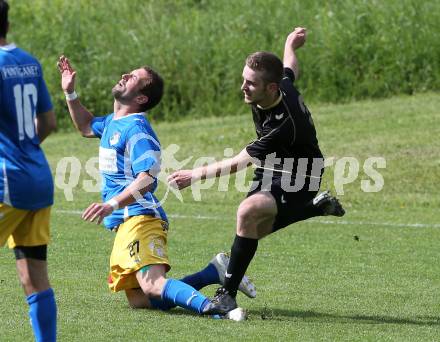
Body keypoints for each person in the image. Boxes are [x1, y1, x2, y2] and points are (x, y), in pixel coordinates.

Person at [57, 56, 254, 319]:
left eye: (134, 77)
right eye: (128, 72)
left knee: (152, 285)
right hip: (128, 221)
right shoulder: (113, 123)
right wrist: (70, 92)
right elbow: (84, 126)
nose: (126, 75)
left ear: (141, 98)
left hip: (140, 216)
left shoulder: (137, 130)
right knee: (141, 299)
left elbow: (147, 179)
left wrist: (111, 204)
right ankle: (212, 272)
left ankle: (215, 307)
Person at [168, 27, 345, 315]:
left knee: (247, 212)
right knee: (252, 229)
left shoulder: (283, 124)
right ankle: (316, 208)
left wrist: (193, 175)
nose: (243, 87)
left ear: (270, 88)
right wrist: (290, 44)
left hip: (303, 174)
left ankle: (226, 294)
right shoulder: (279, 85)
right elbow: (290, 69)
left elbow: (240, 161)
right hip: (275, 167)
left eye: (250, 83)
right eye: (243, 80)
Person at [0, 1, 57, 341]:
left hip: (8, 182)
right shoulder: (29, 62)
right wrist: (22, 150)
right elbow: (48, 122)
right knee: (34, 278)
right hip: (38, 178)